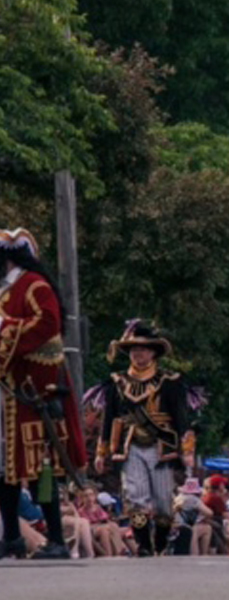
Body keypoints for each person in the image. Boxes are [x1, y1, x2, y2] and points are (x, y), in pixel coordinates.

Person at [0, 228, 88, 559]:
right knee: (7, 469)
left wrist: (7, 329)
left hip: (37, 390)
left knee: (41, 468)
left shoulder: (34, 284)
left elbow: (48, 323)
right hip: (11, 390)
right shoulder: (7, 289)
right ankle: (12, 536)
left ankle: (57, 539)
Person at [90, 320, 194, 557]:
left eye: (144, 349)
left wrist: (187, 449)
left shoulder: (170, 381)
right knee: (136, 498)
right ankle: (143, 544)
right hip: (130, 446)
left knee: (163, 503)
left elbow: (181, 418)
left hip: (162, 447)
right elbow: (108, 419)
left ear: (153, 353)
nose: (139, 354)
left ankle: (160, 542)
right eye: (134, 349)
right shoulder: (117, 382)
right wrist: (101, 452)